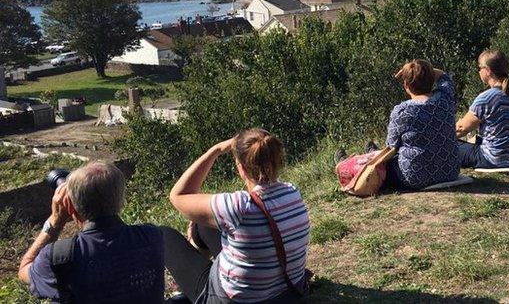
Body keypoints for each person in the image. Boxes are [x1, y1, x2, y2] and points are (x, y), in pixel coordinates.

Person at [163, 129, 311, 302]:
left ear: (241, 167)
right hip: (287, 293)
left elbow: (177, 196)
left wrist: (215, 150)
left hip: (237, 300)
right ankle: (186, 286)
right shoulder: (293, 193)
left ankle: (190, 291)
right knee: (202, 224)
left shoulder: (238, 206)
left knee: (163, 235)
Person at [18, 161, 165, 303]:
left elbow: (24, 270)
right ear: (121, 200)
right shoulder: (151, 236)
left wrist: (55, 221)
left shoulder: (58, 257)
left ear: (70, 207)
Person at [456, 50, 509, 168]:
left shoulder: (485, 98)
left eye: (479, 68)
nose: (478, 71)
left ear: (488, 71)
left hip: (497, 159)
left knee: (449, 147)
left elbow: (461, 129)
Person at [386, 59, 461, 189]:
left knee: (379, 164)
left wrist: (411, 70)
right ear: (432, 81)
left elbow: (391, 147)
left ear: (406, 86)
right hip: (450, 172)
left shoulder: (402, 111)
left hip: (414, 177)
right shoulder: (446, 98)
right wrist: (423, 70)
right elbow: (443, 75)